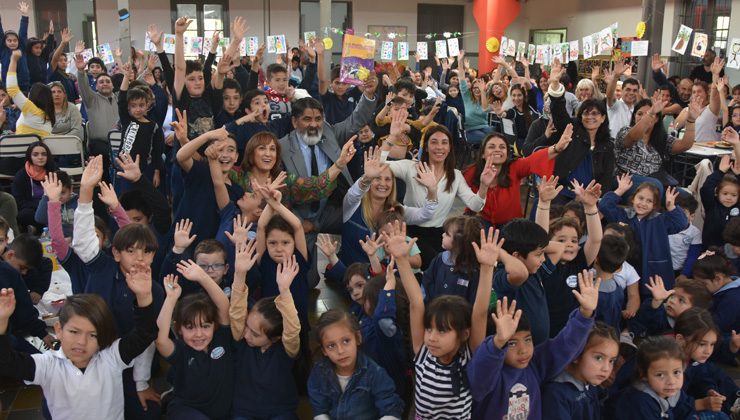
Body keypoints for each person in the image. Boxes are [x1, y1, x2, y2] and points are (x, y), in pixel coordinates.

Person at [385, 221, 500, 419]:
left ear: (464, 334)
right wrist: (402, 260)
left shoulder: (468, 356)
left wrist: (487, 268)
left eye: (443, 331)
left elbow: (479, 313)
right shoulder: (422, 351)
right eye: (429, 329)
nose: (431, 337)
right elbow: (416, 303)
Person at [0, 279, 158, 419]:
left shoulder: (111, 356)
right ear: (59, 330)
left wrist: (143, 297)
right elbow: (6, 362)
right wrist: (2, 321)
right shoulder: (47, 365)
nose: (82, 342)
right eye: (74, 332)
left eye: (93, 335)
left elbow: (145, 334)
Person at [279, 80, 377, 287]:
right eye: (307, 119)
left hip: (331, 209)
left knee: (365, 220)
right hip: (300, 216)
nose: (314, 124)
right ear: (295, 122)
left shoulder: (329, 132)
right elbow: (281, 195)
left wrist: (367, 95)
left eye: (318, 119)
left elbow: (356, 121)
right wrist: (298, 222)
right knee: (309, 281)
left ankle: (357, 273)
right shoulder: (281, 148)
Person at [468, 269, 598, 420]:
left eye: (528, 339)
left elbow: (564, 345)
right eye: (512, 343)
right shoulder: (487, 372)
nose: (523, 350)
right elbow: (479, 382)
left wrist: (585, 313)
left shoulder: (534, 365)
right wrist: (499, 341)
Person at [382, 119, 495, 269]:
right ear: (426, 147)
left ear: (449, 148)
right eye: (434, 142)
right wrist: (391, 137)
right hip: (410, 231)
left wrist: (483, 186)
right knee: (438, 265)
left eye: (444, 143)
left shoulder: (455, 176)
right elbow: (378, 165)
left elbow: (475, 205)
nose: (439, 147)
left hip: (440, 233)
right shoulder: (411, 168)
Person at [229, 240, 302, 419]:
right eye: (247, 326)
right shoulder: (242, 341)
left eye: (254, 334)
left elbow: (292, 330)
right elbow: (237, 313)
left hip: (280, 412)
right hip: (244, 412)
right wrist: (239, 274)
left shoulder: (286, 350)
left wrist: (284, 291)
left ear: (276, 337)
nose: (246, 334)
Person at [156, 262, 233, 420]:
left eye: (205, 326)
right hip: (185, 410)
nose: (199, 334)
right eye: (190, 327)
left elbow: (224, 306)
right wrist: (171, 299)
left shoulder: (222, 339)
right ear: (179, 329)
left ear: (214, 325)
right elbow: (160, 340)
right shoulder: (181, 351)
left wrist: (203, 277)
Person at [341, 146, 437, 266]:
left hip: (384, 279)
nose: (383, 184)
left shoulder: (396, 209)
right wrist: (367, 178)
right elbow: (354, 193)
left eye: (388, 179)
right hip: (352, 278)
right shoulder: (353, 205)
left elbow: (426, 215)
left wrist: (432, 190)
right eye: (377, 178)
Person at [308, 309, 404, 419]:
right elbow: (320, 409)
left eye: (346, 341)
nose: (340, 351)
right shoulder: (319, 372)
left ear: (358, 338)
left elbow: (391, 410)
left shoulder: (375, 374)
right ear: (324, 350)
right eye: (331, 346)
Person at [599, 176, 688, 294]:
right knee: (627, 296)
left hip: (652, 271)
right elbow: (605, 205)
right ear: (633, 198)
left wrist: (671, 206)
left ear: (654, 205)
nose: (643, 203)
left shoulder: (660, 220)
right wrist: (620, 190)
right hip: (626, 267)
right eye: (640, 198)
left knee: (651, 298)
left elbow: (681, 223)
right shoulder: (623, 215)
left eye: (649, 201)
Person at [463, 129, 570, 228]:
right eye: (491, 147)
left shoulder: (514, 167)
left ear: (507, 154)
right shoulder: (471, 172)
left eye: (502, 147)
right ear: (482, 154)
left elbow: (534, 159)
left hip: (511, 225)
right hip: (482, 222)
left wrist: (557, 148)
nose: (497, 150)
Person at [545, 59, 615, 203]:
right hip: (564, 192)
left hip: (590, 197)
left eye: (595, 113)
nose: (590, 117)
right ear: (580, 116)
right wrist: (555, 84)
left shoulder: (607, 145)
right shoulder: (572, 130)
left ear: (603, 118)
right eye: (586, 113)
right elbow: (559, 112)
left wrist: (597, 199)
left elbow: (606, 178)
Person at [543, 179, 604, 336]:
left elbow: (596, 239)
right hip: (545, 330)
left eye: (574, 240)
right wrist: (543, 203)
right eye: (561, 240)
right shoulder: (543, 263)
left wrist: (590, 206)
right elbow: (540, 235)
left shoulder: (580, 261)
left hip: (570, 332)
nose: (569, 244)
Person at [615, 93, 701, 198]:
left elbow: (685, 145)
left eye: (647, 113)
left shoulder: (661, 138)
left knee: (685, 197)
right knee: (654, 186)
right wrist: (650, 113)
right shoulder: (625, 132)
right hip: (627, 182)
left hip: (657, 182)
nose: (643, 117)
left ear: (656, 119)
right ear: (634, 117)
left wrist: (691, 121)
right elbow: (633, 137)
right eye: (639, 114)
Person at [541, 323, 619, 420]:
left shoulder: (590, 384)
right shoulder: (556, 394)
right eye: (599, 358)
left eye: (611, 361)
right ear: (576, 355)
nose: (606, 368)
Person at [674, 308, 740, 416]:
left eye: (712, 344)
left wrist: (709, 390)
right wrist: (701, 404)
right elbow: (670, 406)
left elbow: (701, 376)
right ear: (680, 340)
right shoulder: (668, 366)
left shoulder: (693, 359)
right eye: (702, 344)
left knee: (715, 372)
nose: (708, 351)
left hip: (689, 402)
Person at [612, 336, 696, 419]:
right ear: (644, 374)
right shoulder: (640, 403)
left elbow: (684, 411)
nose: (671, 381)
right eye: (660, 375)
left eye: (676, 372)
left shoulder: (670, 390)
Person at [631, 276, 712, 338]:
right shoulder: (661, 311)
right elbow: (646, 317)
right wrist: (656, 301)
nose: (672, 301)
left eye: (681, 300)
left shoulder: (695, 329)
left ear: (695, 310)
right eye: (672, 296)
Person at [691, 248, 740, 337]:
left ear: (717, 279)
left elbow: (715, 326)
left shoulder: (733, 299)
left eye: (703, 283)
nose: (700, 287)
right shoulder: (723, 290)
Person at [6, 50, 55, 137]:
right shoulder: (49, 117)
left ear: (34, 95)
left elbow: (12, 89)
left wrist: (13, 61)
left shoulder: (31, 109)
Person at [12, 142, 57, 230]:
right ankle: (46, 227)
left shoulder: (54, 171)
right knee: (24, 214)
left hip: (52, 206)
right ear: (30, 157)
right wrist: (40, 206)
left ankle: (37, 228)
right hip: (32, 209)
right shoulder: (21, 175)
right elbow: (19, 201)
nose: (40, 157)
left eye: (44, 154)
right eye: (35, 155)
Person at [700, 153, 740, 249]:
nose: (729, 198)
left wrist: (739, 175)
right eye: (725, 194)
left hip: (733, 253)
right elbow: (706, 188)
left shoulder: (738, 207)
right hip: (710, 250)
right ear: (717, 193)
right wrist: (720, 172)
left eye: (734, 195)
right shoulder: (712, 205)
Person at [0, 2, 31, 92]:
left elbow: (23, 33)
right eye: (9, 41)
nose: (12, 42)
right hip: (8, 84)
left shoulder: (22, 48)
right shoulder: (3, 50)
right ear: (4, 42)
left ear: (19, 42)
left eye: (15, 40)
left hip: (24, 84)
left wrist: (24, 15)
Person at [605, 59, 640, 139]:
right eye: (628, 90)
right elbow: (609, 95)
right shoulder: (616, 105)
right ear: (622, 90)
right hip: (613, 144)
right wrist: (616, 77)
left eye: (634, 91)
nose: (631, 93)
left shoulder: (636, 110)